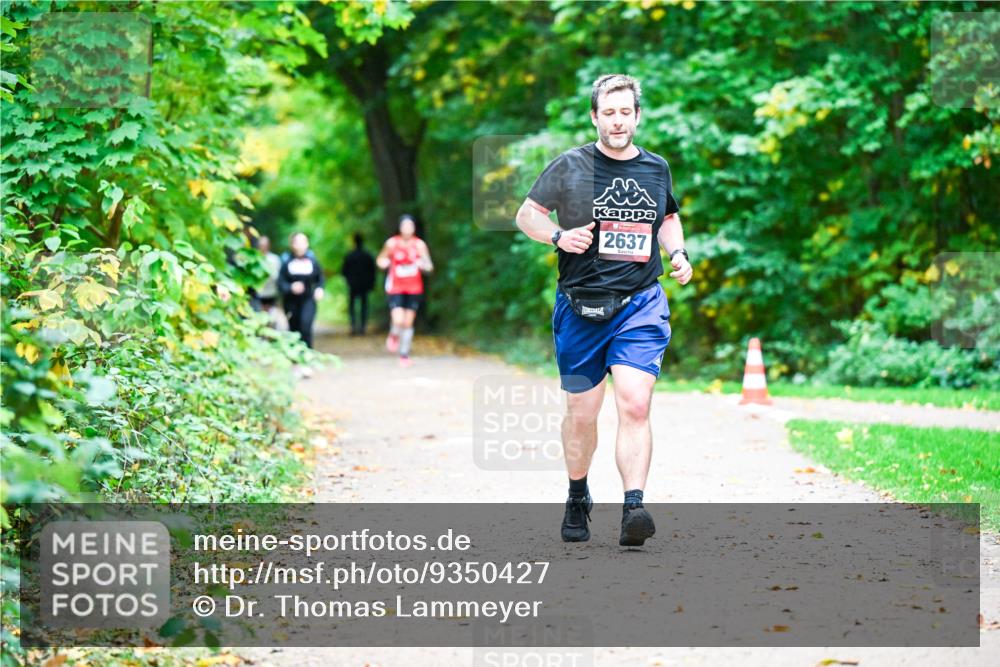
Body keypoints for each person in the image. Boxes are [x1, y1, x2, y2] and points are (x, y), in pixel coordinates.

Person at [514, 74, 693, 547]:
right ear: (595, 116)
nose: (618, 120)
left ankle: (634, 506)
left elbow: (668, 218)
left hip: (640, 303)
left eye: (625, 112)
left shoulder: (656, 168)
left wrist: (678, 254)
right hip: (580, 307)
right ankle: (578, 494)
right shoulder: (569, 166)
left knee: (635, 402)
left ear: (637, 116)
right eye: (608, 113)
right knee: (582, 413)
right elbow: (526, 214)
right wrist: (557, 236)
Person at [376, 214, 433, 368]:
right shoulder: (392, 243)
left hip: (414, 287)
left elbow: (429, 266)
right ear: (400, 227)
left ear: (414, 228)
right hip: (396, 287)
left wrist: (423, 264)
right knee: (398, 320)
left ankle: (404, 354)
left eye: (410, 226)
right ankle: (394, 335)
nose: (407, 229)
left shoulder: (419, 245)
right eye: (405, 226)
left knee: (408, 322)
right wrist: (385, 263)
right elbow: (380, 260)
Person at [278, 231, 325, 352]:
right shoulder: (286, 261)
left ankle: (307, 356)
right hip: (291, 302)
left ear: (307, 244)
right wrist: (290, 287)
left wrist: (319, 289)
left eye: (303, 242)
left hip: (308, 299)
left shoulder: (312, 261)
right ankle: (295, 359)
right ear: (292, 244)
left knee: (306, 326)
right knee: (294, 329)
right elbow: (280, 282)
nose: (300, 245)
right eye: (297, 242)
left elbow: (320, 278)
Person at [340, 232, 376, 336]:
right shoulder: (367, 255)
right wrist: (371, 284)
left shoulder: (350, 256)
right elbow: (372, 271)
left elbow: (344, 271)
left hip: (353, 284)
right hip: (364, 285)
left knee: (352, 306)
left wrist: (348, 280)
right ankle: (362, 327)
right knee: (364, 305)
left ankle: (353, 326)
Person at [253, 235, 287, 330]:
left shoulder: (274, 259)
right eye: (261, 245)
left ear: (269, 245)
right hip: (257, 294)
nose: (263, 247)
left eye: (265, 245)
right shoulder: (253, 258)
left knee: (272, 319)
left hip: (272, 294)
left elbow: (279, 277)